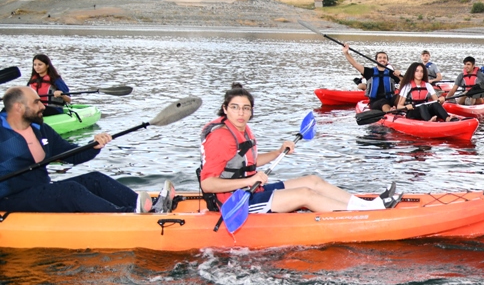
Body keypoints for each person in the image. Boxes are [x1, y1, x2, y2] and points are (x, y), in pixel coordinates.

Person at [200, 83, 399, 214]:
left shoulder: (241, 128)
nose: (240, 113)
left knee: (312, 181)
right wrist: (251, 179)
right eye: (234, 107)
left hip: (249, 189)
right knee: (305, 194)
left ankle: (368, 206)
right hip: (233, 203)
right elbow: (208, 184)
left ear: (251, 111)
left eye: (246, 108)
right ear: (225, 109)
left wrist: (278, 152)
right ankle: (361, 215)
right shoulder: (221, 137)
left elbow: (246, 162)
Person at [0, 85, 156, 213]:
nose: (42, 106)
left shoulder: (41, 129)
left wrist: (93, 146)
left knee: (95, 179)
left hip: (40, 190)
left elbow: (71, 155)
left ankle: (151, 206)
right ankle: (128, 214)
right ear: (18, 107)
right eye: (36, 102)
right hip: (9, 198)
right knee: (70, 190)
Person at [343, 44, 400, 112]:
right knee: (383, 102)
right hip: (375, 101)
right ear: (376, 60)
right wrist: (346, 53)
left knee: (400, 96)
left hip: (390, 99)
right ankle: (390, 112)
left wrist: (398, 75)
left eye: (384, 58)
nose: (382, 59)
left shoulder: (392, 73)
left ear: (387, 61)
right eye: (380, 57)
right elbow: (355, 64)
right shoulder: (369, 72)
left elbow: (406, 82)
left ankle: (402, 110)